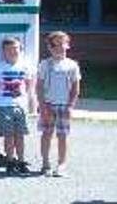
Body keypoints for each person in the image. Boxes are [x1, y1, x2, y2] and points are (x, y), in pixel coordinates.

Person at [37, 31, 81, 178]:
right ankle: (45, 164)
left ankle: (61, 165)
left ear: (67, 46)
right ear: (49, 47)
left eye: (61, 44)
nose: (58, 47)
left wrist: (70, 106)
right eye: (54, 45)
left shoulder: (72, 65)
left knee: (63, 135)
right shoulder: (44, 64)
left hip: (64, 106)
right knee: (46, 134)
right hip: (48, 105)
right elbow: (39, 87)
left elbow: (75, 88)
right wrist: (42, 107)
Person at [0, 36, 35, 175]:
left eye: (15, 48)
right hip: (4, 105)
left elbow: (29, 86)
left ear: (20, 49)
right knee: (8, 136)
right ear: (3, 52)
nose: (12, 51)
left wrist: (30, 103)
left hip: (20, 105)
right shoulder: (0, 66)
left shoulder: (25, 66)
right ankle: (10, 161)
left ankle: (21, 161)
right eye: (8, 49)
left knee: (20, 135)